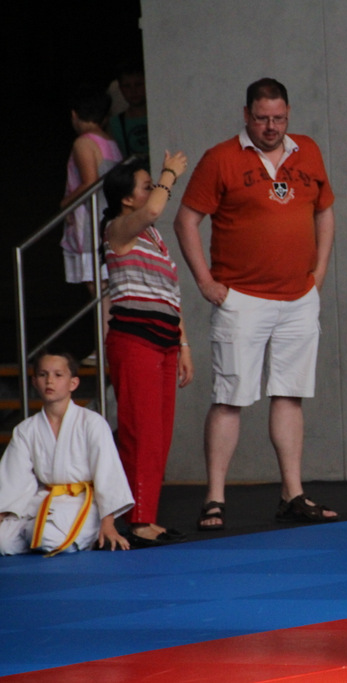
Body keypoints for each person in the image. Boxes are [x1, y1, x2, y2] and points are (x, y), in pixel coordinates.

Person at [173, 78, 337, 531]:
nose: (271, 126)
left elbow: (324, 209)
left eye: (278, 118)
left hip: (298, 296)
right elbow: (185, 220)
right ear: (246, 115)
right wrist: (205, 281)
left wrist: (319, 273)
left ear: (289, 114)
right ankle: (214, 497)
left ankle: (292, 492)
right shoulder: (220, 158)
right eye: (262, 118)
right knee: (230, 397)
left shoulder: (307, 150)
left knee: (290, 394)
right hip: (241, 297)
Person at [102, 153, 193, 547]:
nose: (154, 190)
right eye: (146, 186)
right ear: (127, 199)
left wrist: (183, 344)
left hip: (164, 343)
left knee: (158, 436)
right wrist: (169, 174)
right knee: (140, 433)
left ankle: (147, 516)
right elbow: (155, 208)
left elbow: (170, 294)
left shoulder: (154, 238)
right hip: (135, 342)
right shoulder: (117, 229)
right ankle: (137, 520)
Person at [0, 351, 134, 556]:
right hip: (43, 498)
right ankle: (38, 534)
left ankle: (54, 534)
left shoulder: (92, 423)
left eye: (58, 375)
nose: (49, 381)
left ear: (73, 383)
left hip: (80, 500)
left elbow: (108, 474)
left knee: (46, 537)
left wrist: (108, 524)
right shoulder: (26, 429)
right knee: (3, 543)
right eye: (43, 375)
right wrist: (3, 513)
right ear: (34, 382)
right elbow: (14, 478)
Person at [60, 84, 124, 362]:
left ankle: (108, 345)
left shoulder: (84, 143)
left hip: (91, 221)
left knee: (97, 285)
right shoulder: (110, 141)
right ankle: (109, 344)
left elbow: (89, 182)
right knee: (105, 285)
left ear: (75, 115)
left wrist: (65, 203)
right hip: (108, 218)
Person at [108, 62, 150, 170]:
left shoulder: (159, 118)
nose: (133, 91)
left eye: (138, 85)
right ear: (120, 89)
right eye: (127, 86)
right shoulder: (114, 124)